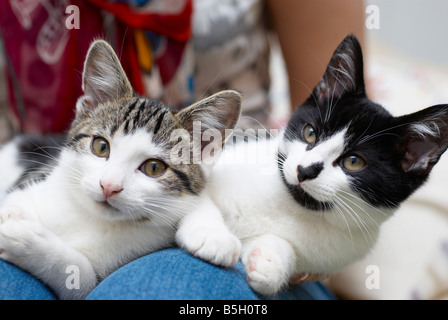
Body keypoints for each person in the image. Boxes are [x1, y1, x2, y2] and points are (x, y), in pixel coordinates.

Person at [0, 0, 364, 300]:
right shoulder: (60, 179)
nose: (111, 184)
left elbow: (347, 123)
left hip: (228, 212)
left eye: (153, 167)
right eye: (101, 147)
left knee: (173, 290)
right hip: (33, 165)